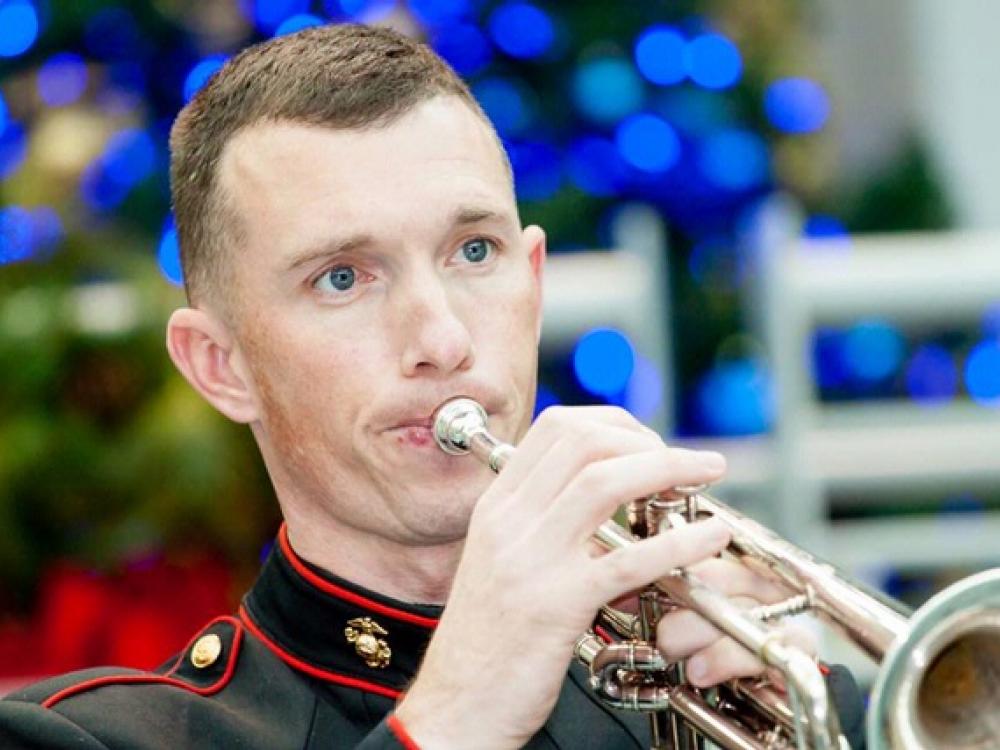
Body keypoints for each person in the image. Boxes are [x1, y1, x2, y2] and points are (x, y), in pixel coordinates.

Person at [0, 23, 865, 749]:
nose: (442, 340)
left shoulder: (731, 688)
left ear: (532, 279)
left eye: (474, 253)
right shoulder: (90, 738)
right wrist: (454, 717)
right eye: (343, 278)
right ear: (220, 366)